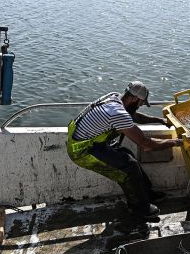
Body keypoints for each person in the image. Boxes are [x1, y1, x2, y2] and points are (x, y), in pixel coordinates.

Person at [66, 80, 183, 219]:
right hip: (82, 151)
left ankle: (147, 193)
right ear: (134, 98)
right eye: (140, 103)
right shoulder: (118, 113)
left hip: (93, 142)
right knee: (128, 168)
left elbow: (132, 115)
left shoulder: (114, 97)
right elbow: (146, 145)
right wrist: (175, 142)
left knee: (127, 154)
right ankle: (138, 208)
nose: (140, 106)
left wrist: (159, 120)